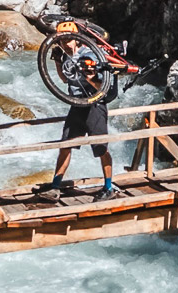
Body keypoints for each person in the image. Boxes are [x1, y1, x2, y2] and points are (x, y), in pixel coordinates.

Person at [38, 30, 125, 202]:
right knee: (66, 145)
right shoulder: (67, 56)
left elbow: (102, 85)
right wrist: (57, 61)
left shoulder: (90, 54)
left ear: (77, 40)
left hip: (95, 105)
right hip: (77, 104)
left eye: (69, 40)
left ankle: (109, 187)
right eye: (63, 41)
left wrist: (90, 76)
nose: (66, 44)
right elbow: (65, 79)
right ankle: (55, 186)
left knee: (101, 148)